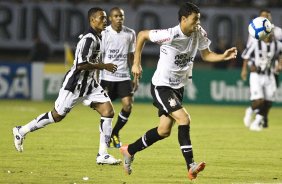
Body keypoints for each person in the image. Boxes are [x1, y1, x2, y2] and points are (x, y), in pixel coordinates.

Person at [119, 2, 237, 180]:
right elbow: (142, 35)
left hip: (177, 87)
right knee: (184, 118)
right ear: (183, 19)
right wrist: (136, 63)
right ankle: (191, 166)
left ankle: (130, 150)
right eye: (194, 19)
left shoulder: (199, 33)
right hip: (162, 86)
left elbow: (206, 55)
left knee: (163, 130)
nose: (197, 23)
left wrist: (222, 56)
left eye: (198, 19)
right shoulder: (170, 34)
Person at [12, 7, 122, 165]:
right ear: (92, 20)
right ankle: (21, 131)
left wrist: (99, 79)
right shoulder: (88, 39)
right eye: (101, 18)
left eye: (105, 18)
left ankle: (102, 155)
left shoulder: (100, 36)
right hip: (75, 85)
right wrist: (103, 66)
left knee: (108, 111)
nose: (105, 21)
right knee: (57, 115)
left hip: (90, 85)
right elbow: (80, 64)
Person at [84, 7, 138, 148]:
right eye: (116, 16)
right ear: (110, 18)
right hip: (107, 77)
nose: (119, 18)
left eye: (121, 16)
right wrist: (95, 80)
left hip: (123, 76)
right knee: (105, 110)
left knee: (128, 105)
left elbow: (132, 57)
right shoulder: (104, 34)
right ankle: (105, 137)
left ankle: (115, 132)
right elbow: (98, 58)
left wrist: (136, 78)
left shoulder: (130, 33)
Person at [241, 9, 282, 128]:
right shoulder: (254, 34)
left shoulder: (278, 33)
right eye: (263, 16)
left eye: (267, 16)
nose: (266, 18)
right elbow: (248, 52)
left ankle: (260, 121)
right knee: (259, 100)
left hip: (271, 72)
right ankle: (251, 112)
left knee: (269, 101)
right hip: (257, 72)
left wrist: (279, 64)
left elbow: (280, 53)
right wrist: (247, 67)